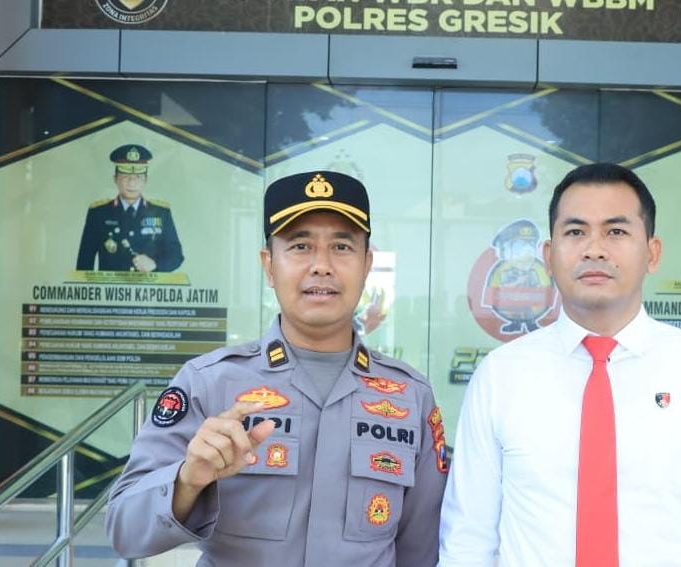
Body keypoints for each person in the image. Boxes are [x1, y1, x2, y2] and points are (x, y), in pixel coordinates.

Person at [439, 163, 681, 566]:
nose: (594, 249)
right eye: (575, 232)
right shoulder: (502, 375)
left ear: (652, 253)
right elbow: (468, 539)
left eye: (616, 232)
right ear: (549, 256)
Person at [107, 171, 447, 566]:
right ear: (269, 265)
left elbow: (421, 550)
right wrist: (187, 479)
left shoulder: (410, 397)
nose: (322, 266)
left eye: (341, 247)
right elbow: (124, 530)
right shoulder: (209, 383)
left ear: (367, 264)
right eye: (301, 246)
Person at [76, 144, 184, 272]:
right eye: (125, 177)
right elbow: (84, 261)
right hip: (111, 285)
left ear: (145, 180)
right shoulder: (98, 213)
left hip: (147, 284)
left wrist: (155, 265)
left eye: (138, 177)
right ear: (115, 179)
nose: (132, 183)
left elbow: (176, 255)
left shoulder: (161, 213)